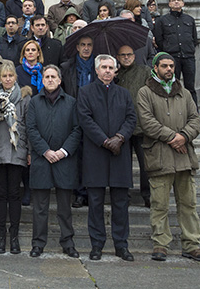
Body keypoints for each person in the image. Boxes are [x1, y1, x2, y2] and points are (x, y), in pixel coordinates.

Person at [137, 52, 200, 263]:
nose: (169, 69)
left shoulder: (184, 93)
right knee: (159, 204)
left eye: (171, 66)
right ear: (155, 68)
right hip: (160, 156)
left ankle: (192, 244)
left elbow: (195, 119)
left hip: (184, 157)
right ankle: (160, 243)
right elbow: (146, 121)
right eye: (164, 66)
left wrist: (185, 136)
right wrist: (173, 137)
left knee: (188, 203)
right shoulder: (145, 92)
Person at [77, 54, 137, 262]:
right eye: (104, 67)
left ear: (116, 70)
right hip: (96, 154)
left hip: (119, 154)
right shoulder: (85, 93)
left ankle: (121, 244)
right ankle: (97, 245)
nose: (108, 71)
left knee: (121, 203)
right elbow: (85, 119)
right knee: (95, 203)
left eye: (111, 68)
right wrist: (105, 141)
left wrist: (119, 138)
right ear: (96, 70)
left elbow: (131, 117)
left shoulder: (124, 94)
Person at [26, 65, 82, 258]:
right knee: (40, 207)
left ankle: (68, 243)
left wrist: (63, 151)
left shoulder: (71, 102)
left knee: (65, 207)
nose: (50, 80)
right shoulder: (34, 102)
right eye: (47, 76)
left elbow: (77, 130)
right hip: (42, 160)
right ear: (42, 80)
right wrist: (45, 151)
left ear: (59, 80)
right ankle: (38, 243)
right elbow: (31, 129)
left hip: (64, 160)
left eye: (53, 77)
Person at [0, 64, 31, 254]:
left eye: (10, 75)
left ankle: (14, 235)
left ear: (15, 77)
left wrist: (28, 150)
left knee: (14, 193)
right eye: (4, 76)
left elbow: (28, 125)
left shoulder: (24, 97)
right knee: (0, 194)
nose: (7, 79)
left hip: (16, 149)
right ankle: (1, 235)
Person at [60, 35, 96, 209]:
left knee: (93, 157)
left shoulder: (99, 67)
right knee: (77, 158)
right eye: (83, 45)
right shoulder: (66, 67)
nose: (86, 48)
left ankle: (93, 192)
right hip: (73, 116)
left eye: (89, 45)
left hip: (94, 118)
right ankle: (80, 193)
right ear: (77, 47)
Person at [115, 45, 152, 207]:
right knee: (123, 165)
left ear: (134, 56)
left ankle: (148, 194)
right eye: (122, 55)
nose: (126, 58)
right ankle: (125, 195)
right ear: (117, 57)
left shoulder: (145, 71)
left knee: (146, 164)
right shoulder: (115, 74)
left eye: (129, 54)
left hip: (142, 124)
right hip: (122, 127)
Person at [154, 0, 200, 117]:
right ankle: (173, 116)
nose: (176, 2)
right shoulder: (162, 20)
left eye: (179, 0)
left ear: (183, 3)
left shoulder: (189, 19)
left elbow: (194, 38)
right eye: (173, 0)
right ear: (169, 4)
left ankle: (194, 116)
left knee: (190, 87)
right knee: (171, 86)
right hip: (172, 58)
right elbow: (159, 40)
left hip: (188, 57)